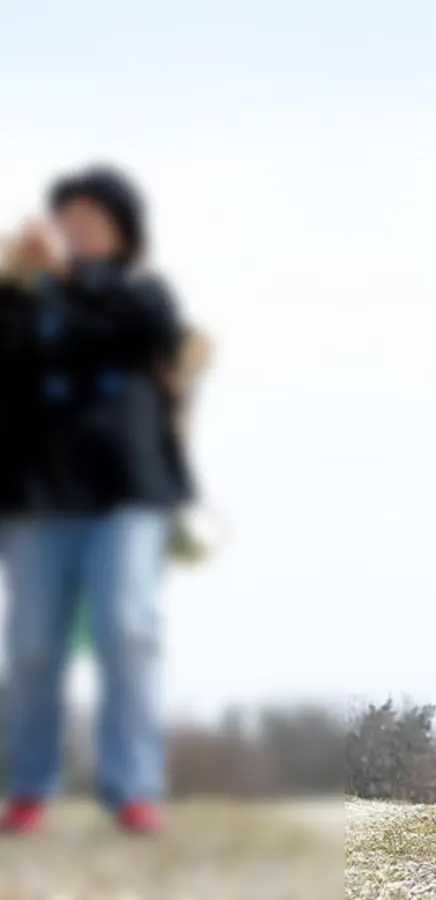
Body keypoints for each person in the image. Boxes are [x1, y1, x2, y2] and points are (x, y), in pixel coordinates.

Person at [0, 165, 192, 835]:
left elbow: (148, 341)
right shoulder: (25, 302)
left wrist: (71, 283)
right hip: (37, 497)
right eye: (67, 218)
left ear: (119, 230)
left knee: (126, 632)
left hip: (127, 492)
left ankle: (132, 787)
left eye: (92, 219)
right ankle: (27, 786)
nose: (76, 229)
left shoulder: (142, 298)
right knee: (30, 644)